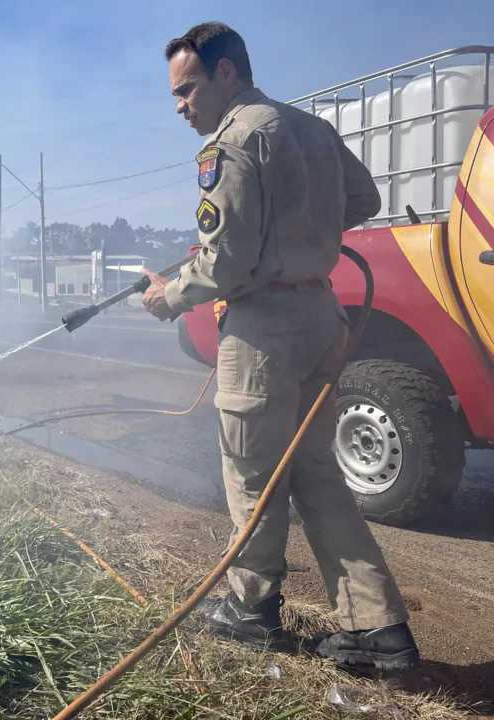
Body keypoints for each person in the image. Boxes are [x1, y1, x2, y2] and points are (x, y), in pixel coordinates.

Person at [139, 21, 419, 670]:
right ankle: (379, 632)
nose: (181, 106)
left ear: (226, 73)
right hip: (322, 317)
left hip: (264, 330)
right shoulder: (310, 128)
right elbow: (364, 197)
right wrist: (303, 231)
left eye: (186, 90)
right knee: (317, 473)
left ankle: (250, 608)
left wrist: (167, 297)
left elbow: (227, 262)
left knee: (253, 473)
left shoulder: (232, 141)